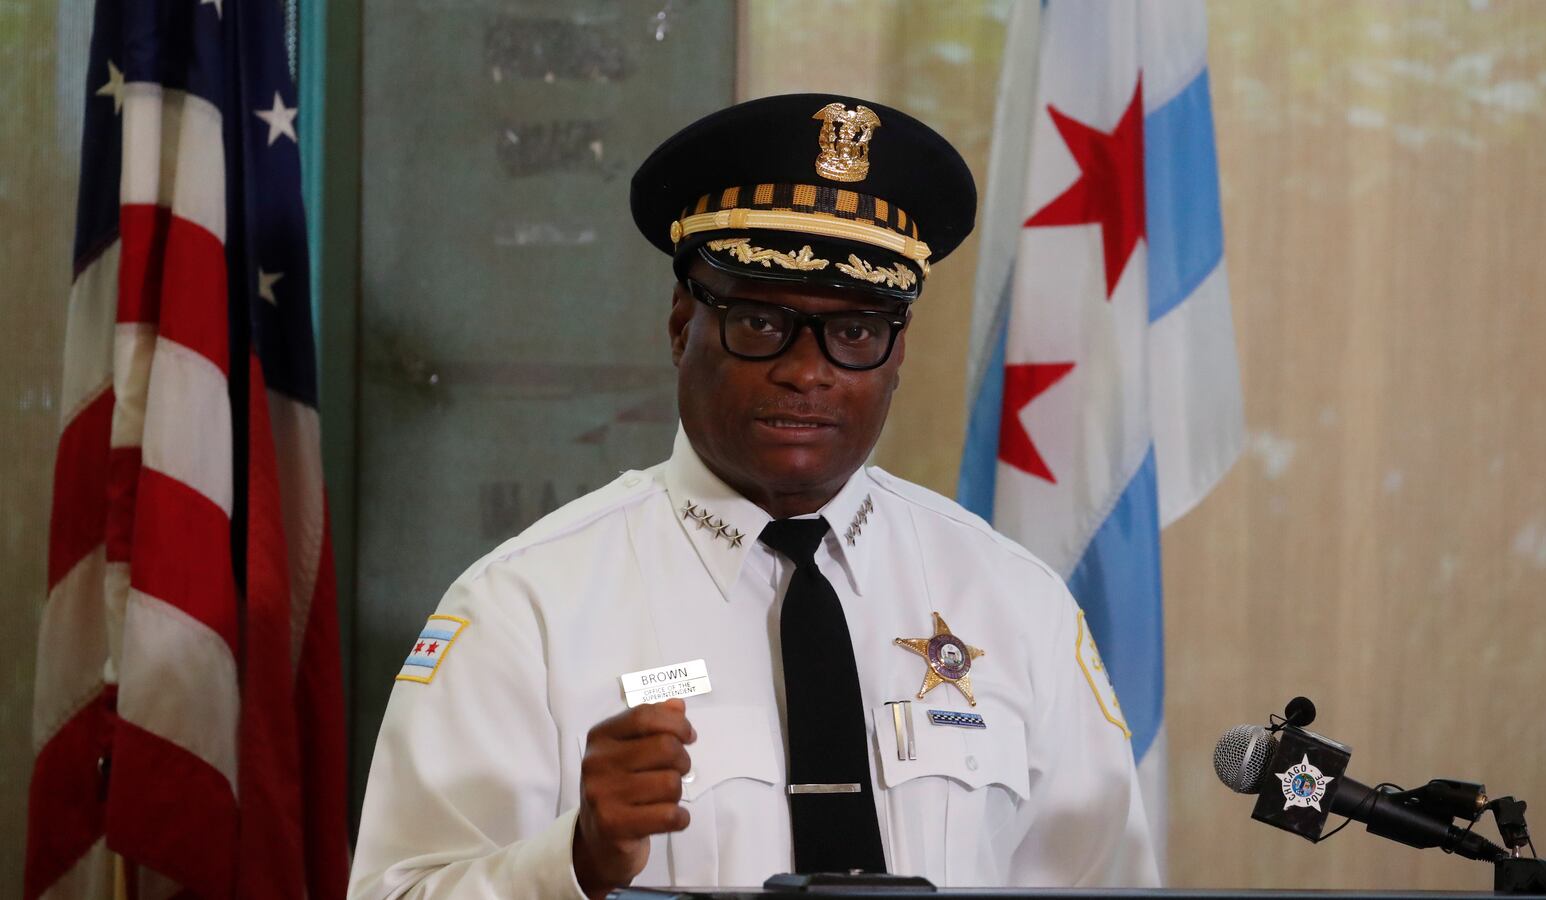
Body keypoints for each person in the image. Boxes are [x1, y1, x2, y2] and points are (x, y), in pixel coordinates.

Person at [349, 93, 1159, 899]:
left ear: (897, 352)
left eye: (854, 332)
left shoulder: (1015, 601)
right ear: (680, 326)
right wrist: (576, 861)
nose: (806, 371)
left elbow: (1110, 887)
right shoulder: (527, 608)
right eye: (761, 321)